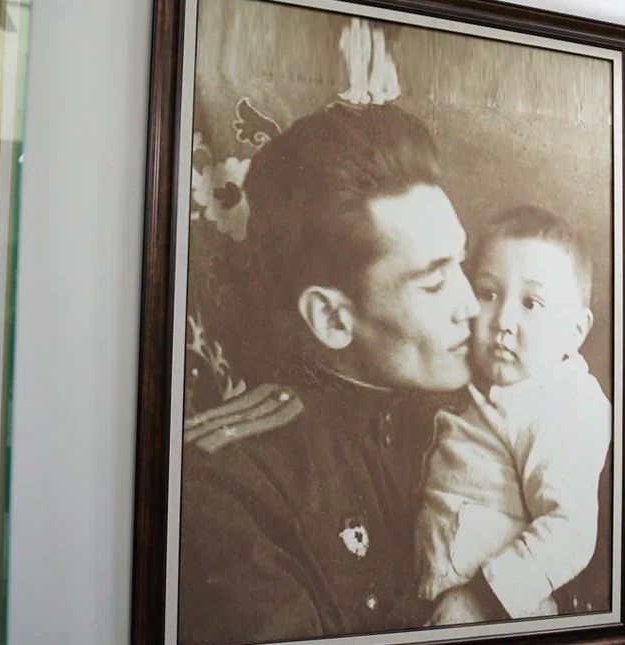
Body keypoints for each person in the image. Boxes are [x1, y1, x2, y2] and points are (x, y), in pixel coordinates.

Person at [177, 103, 485, 645]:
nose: (472, 306)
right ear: (332, 318)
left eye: (460, 263)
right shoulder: (228, 488)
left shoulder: (494, 410)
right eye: (434, 282)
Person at [415, 206, 610, 623]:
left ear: (575, 331)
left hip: (497, 611)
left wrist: (481, 600)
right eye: (487, 293)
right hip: (434, 598)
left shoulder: (563, 404)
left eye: (531, 303)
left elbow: (570, 530)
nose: (503, 320)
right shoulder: (480, 377)